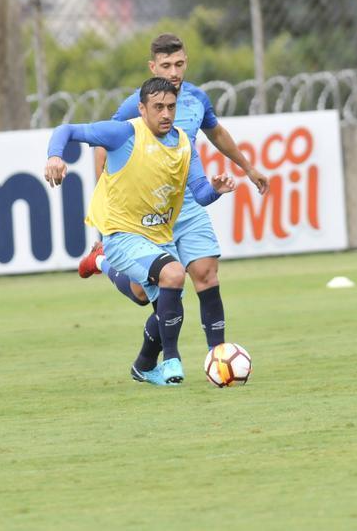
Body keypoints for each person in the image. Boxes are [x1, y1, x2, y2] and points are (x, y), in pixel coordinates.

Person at [80, 33, 269, 357]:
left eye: (179, 64)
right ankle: (102, 260)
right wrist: (106, 194)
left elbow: (217, 133)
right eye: (166, 65)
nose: (174, 72)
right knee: (144, 293)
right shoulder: (137, 103)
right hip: (146, 213)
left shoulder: (197, 100)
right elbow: (103, 142)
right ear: (153, 66)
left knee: (206, 273)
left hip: (187, 203)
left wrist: (248, 168)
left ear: (186, 63)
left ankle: (219, 357)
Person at [45, 76, 236, 385]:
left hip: (159, 236)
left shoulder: (184, 144)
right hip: (121, 233)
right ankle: (172, 363)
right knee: (173, 275)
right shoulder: (123, 132)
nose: (165, 114)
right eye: (157, 107)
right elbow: (66, 130)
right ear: (142, 109)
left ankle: (144, 365)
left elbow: (199, 193)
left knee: (157, 302)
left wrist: (215, 189)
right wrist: (55, 156)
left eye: (171, 107)